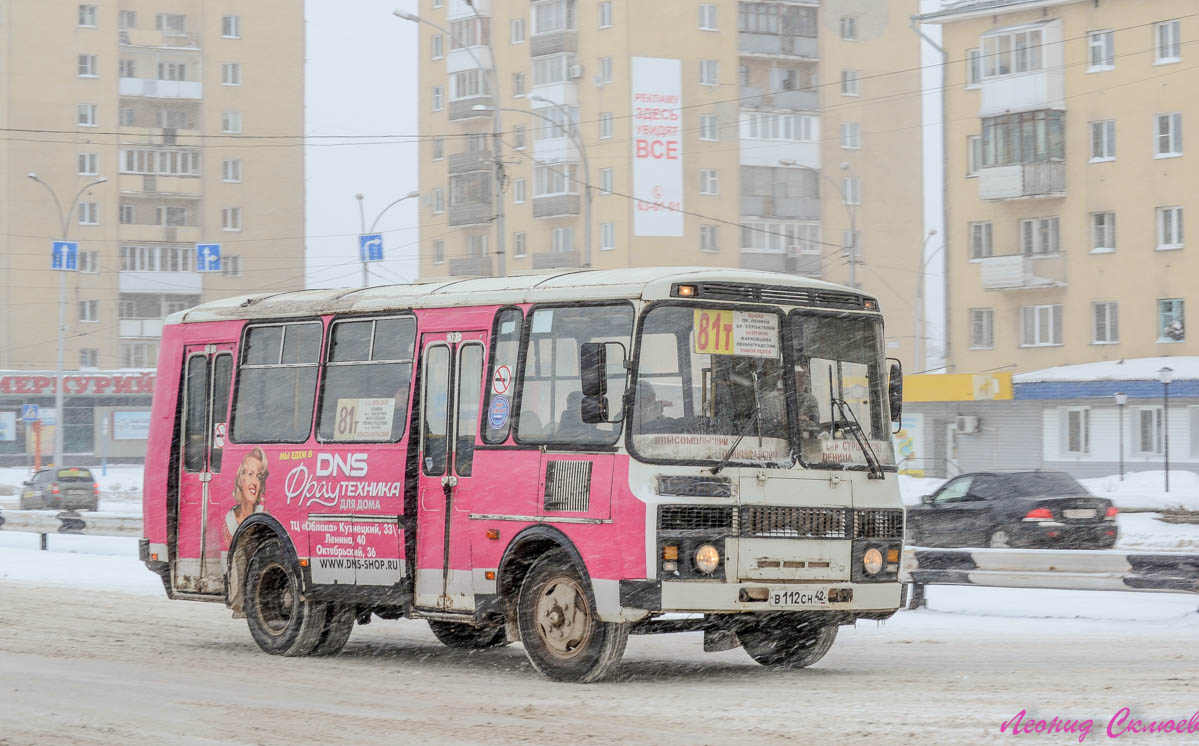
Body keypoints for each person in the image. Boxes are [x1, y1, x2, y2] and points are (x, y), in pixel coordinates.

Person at [221, 447, 269, 549]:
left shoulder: (265, 517)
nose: (254, 482)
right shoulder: (229, 521)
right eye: (250, 474)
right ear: (241, 479)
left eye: (259, 477)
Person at [794, 365, 823, 438]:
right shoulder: (778, 399)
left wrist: (807, 420)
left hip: (805, 441)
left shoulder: (810, 399)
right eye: (799, 376)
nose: (802, 380)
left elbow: (815, 422)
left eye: (805, 377)